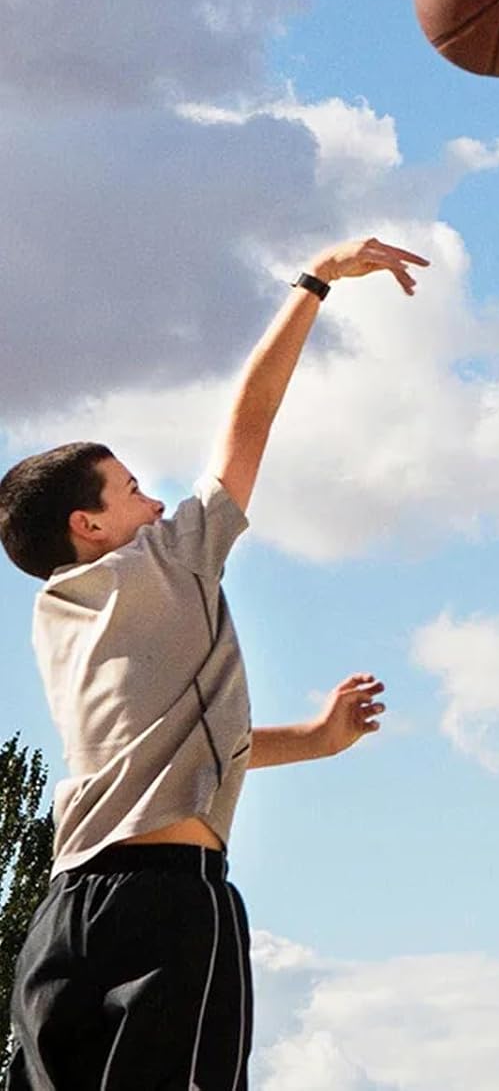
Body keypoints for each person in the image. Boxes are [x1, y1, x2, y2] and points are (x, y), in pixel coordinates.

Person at [0, 236, 428, 1091]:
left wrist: (309, 739)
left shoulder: (61, 619)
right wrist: (316, 281)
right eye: (130, 490)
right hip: (167, 904)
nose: (156, 501)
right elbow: (250, 422)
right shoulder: (166, 559)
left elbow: (175, 748)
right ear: (88, 525)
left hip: (65, 917)